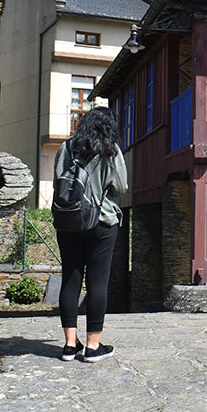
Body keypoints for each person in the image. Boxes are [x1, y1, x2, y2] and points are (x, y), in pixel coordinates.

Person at [54, 106, 127, 362]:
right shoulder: (110, 151)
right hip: (102, 221)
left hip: (68, 220)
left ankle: (69, 345)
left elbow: (58, 182)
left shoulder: (66, 148)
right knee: (97, 282)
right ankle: (93, 347)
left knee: (70, 280)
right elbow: (121, 186)